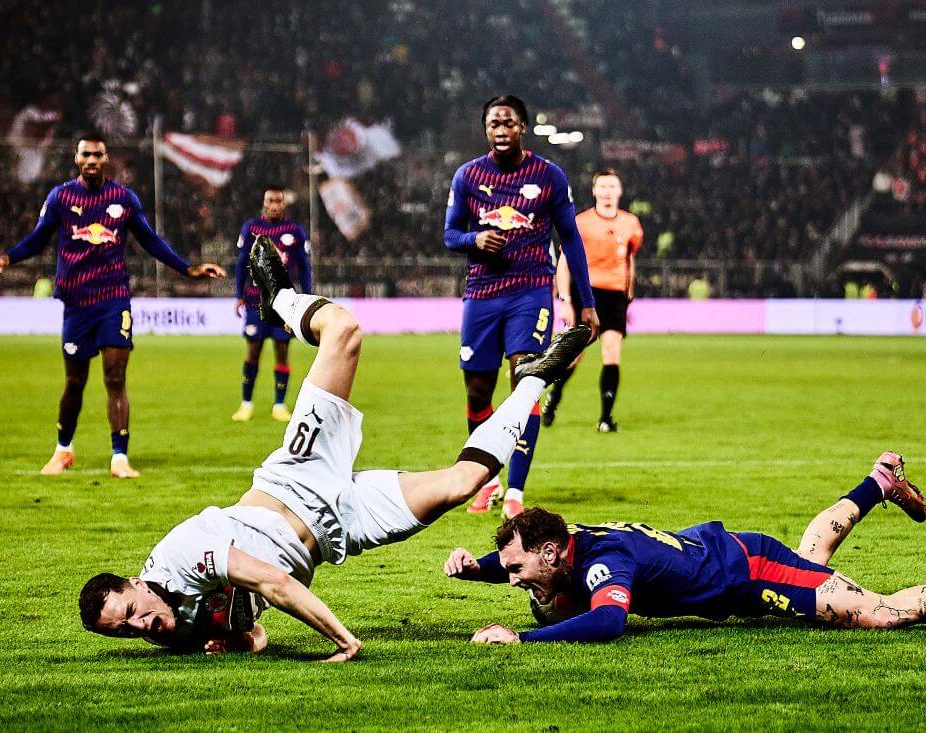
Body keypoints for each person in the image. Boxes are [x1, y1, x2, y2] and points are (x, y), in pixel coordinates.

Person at [77, 236, 592, 660]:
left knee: (343, 331)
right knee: (463, 484)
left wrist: (342, 639)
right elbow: (256, 628)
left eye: (130, 613)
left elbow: (274, 582)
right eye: (126, 633)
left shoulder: (180, 557)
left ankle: (277, 297)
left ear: (135, 582)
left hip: (296, 477)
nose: (142, 627)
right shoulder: (174, 630)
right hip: (338, 526)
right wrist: (243, 638)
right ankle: (531, 381)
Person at [445, 453, 926, 642]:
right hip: (734, 554)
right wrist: (477, 569)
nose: (513, 577)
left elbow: (610, 620)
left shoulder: (606, 565)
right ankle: (877, 482)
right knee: (813, 559)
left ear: (555, 553)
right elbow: (515, 560)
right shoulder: (568, 541)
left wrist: (521, 638)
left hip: (748, 571)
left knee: (876, 612)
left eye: (521, 567)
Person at [0, 132, 225, 478]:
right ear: (76, 158)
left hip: (113, 299)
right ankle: (63, 451)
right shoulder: (60, 197)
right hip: (76, 302)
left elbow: (150, 240)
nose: (92, 160)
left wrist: (187, 269)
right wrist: (8, 257)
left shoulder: (123, 199)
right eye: (86, 154)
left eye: (97, 154)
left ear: (106, 158)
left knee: (115, 376)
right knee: (75, 382)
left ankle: (119, 458)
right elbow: (38, 239)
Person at [444, 94, 599, 519]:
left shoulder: (549, 176)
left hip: (531, 290)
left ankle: (515, 490)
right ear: (485, 128)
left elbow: (571, 239)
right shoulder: (468, 176)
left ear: (523, 128)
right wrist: (474, 240)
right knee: (477, 388)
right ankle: (485, 480)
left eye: (508, 122)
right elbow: (450, 234)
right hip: (481, 292)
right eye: (493, 122)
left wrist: (586, 303)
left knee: (525, 379)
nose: (500, 129)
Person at [545, 169, 642, 433]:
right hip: (585, 295)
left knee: (611, 352)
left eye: (613, 186)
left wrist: (628, 291)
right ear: (594, 191)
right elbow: (564, 262)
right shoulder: (581, 223)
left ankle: (605, 419)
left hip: (615, 297)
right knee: (574, 357)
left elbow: (629, 258)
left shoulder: (631, 224)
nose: (608, 191)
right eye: (603, 186)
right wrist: (564, 299)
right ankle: (554, 397)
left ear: (620, 191)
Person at [232, 186, 312, 423]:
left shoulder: (295, 231)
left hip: (284, 303)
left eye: (279, 200)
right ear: (264, 203)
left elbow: (304, 267)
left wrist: (307, 296)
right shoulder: (251, 228)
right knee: (253, 350)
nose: (275, 205)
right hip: (255, 301)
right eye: (271, 200)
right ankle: (246, 404)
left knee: (282, 351)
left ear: (284, 203)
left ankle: (279, 405)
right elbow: (240, 263)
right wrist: (239, 295)